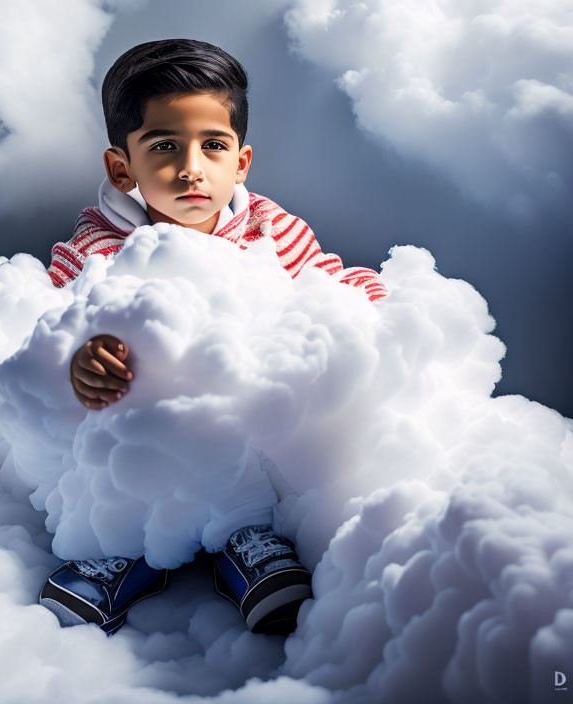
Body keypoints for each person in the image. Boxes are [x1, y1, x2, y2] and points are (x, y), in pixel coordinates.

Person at [38, 38, 388, 637]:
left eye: (213, 146)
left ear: (241, 163)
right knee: (128, 408)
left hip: (243, 417)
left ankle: (247, 538)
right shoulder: (99, 244)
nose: (191, 168)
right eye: (165, 147)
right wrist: (82, 358)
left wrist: (375, 304)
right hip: (142, 431)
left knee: (270, 391)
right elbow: (54, 321)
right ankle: (126, 544)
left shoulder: (270, 229)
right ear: (123, 168)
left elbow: (324, 282)